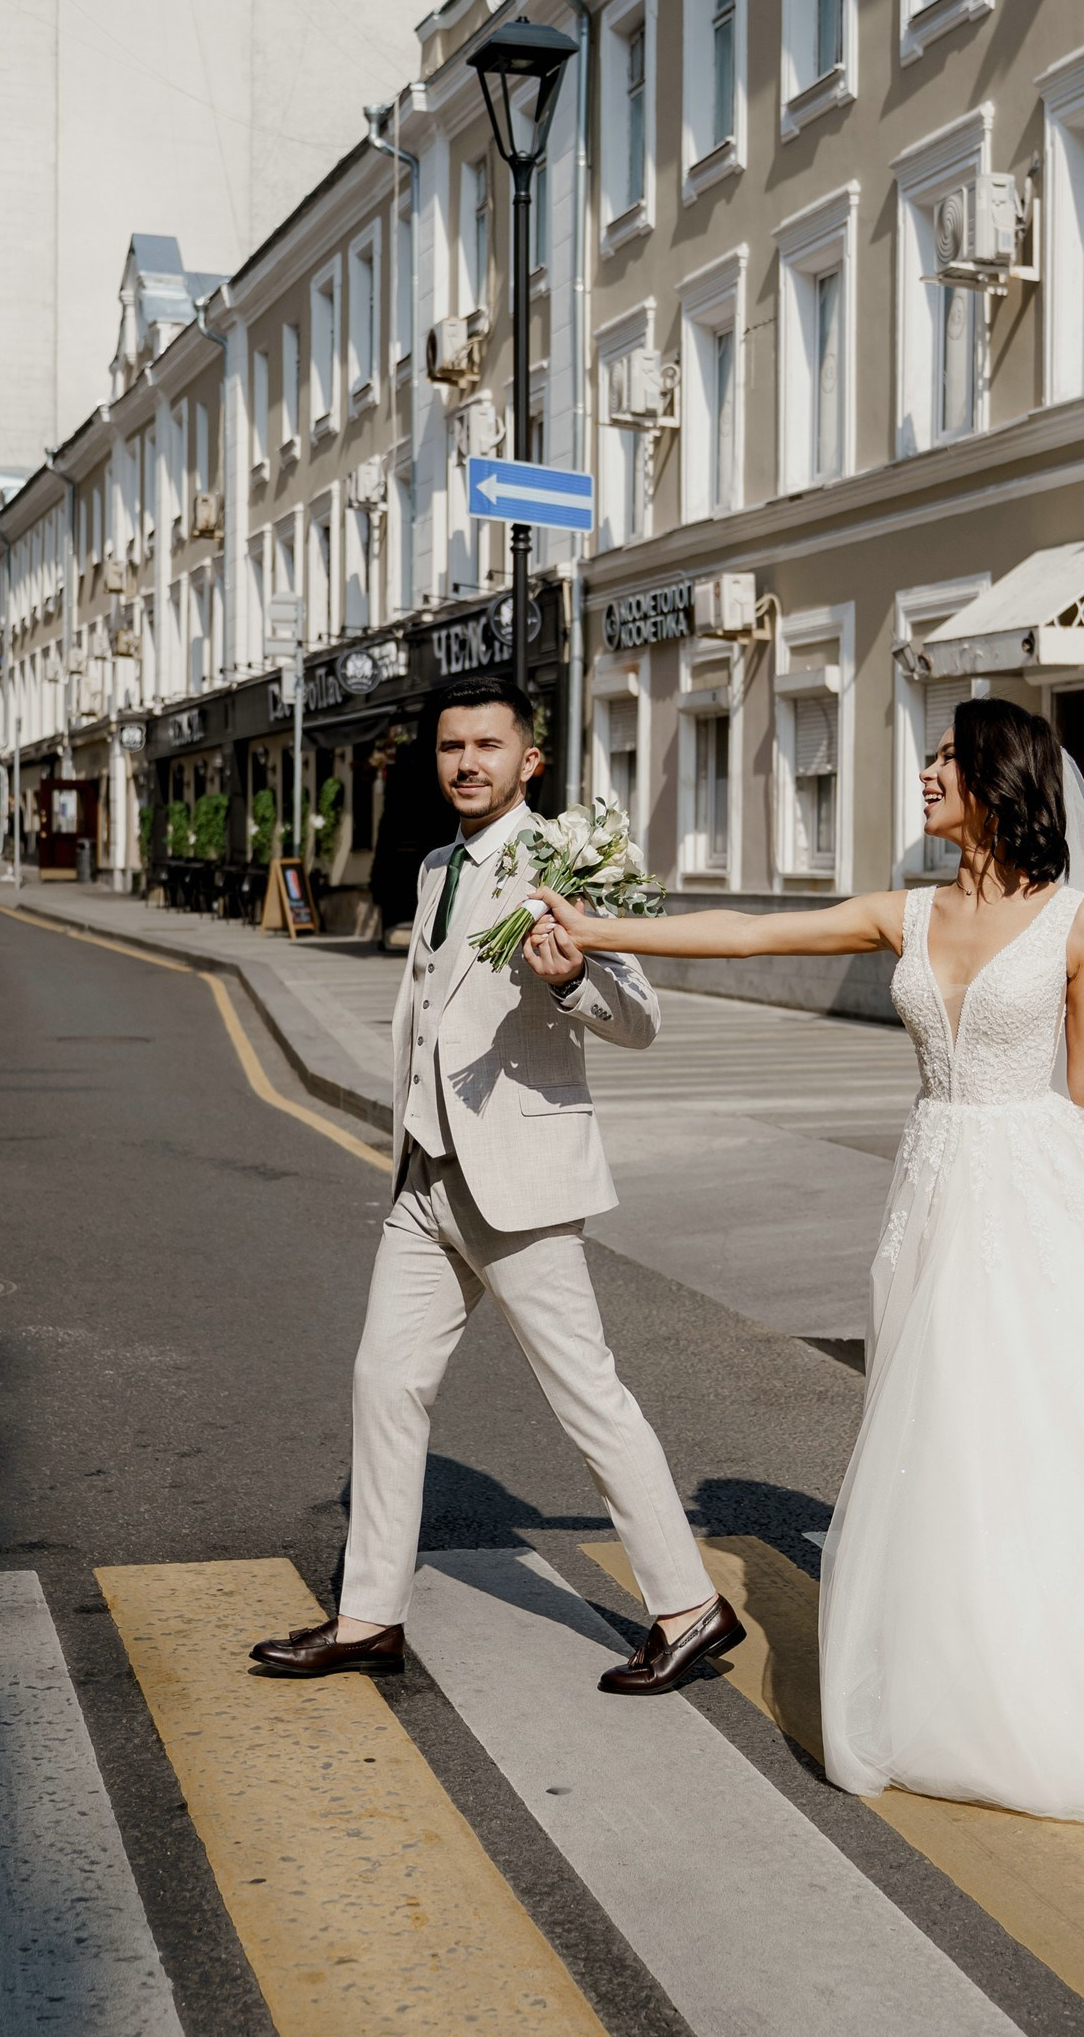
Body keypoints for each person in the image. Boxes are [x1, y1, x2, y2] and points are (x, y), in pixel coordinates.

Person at [530, 698, 1084, 1833]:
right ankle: (966, 1663)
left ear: (994, 781)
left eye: (942, 758)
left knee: (1057, 1422)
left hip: (1041, 1187)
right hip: (933, 1185)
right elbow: (749, 934)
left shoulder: (1075, 923)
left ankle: (1082, 1664)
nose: (921, 774)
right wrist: (602, 928)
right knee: (946, 1419)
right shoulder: (899, 913)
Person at [252, 678, 742, 1695]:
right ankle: (368, 1616)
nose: (464, 761)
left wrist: (571, 977)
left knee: (586, 1397)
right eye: (448, 747)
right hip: (426, 1178)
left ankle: (690, 1608)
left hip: (516, 1182)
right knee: (386, 1384)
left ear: (531, 761)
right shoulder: (438, 864)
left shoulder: (558, 860)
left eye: (485, 745)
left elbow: (636, 1017)